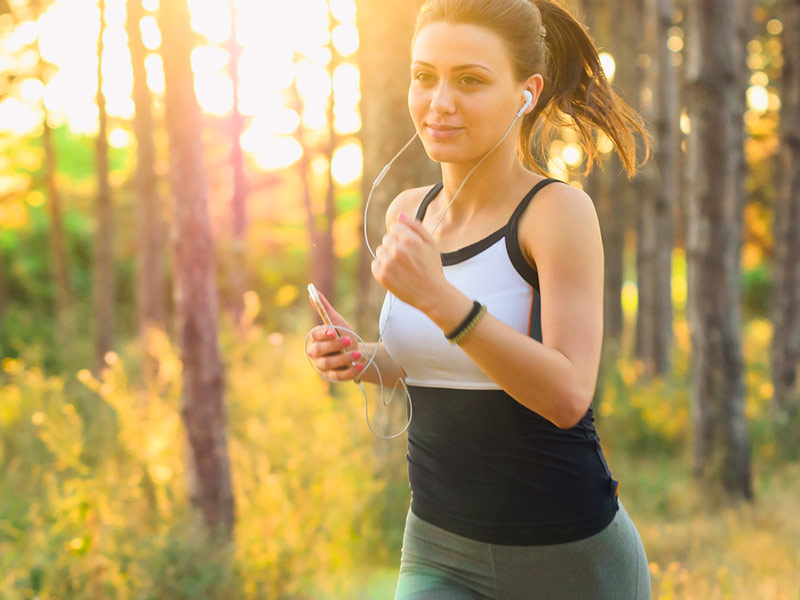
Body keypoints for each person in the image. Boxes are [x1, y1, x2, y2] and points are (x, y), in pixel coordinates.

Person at [306, 0, 652, 597]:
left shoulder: (555, 214)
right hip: (439, 548)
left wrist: (442, 301)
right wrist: (363, 359)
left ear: (526, 91)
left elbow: (569, 395)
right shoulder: (407, 211)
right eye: (424, 76)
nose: (440, 102)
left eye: (470, 80)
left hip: (570, 558)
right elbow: (438, 362)